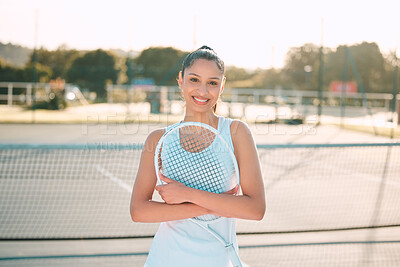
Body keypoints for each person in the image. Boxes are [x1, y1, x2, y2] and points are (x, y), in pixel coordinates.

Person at [130, 46, 266, 267]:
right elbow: (138, 211)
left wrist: (186, 194)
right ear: (181, 80)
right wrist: (219, 204)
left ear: (221, 87)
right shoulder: (158, 140)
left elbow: (255, 209)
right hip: (165, 259)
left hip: (218, 260)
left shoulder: (237, 133)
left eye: (212, 82)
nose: (202, 91)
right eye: (194, 80)